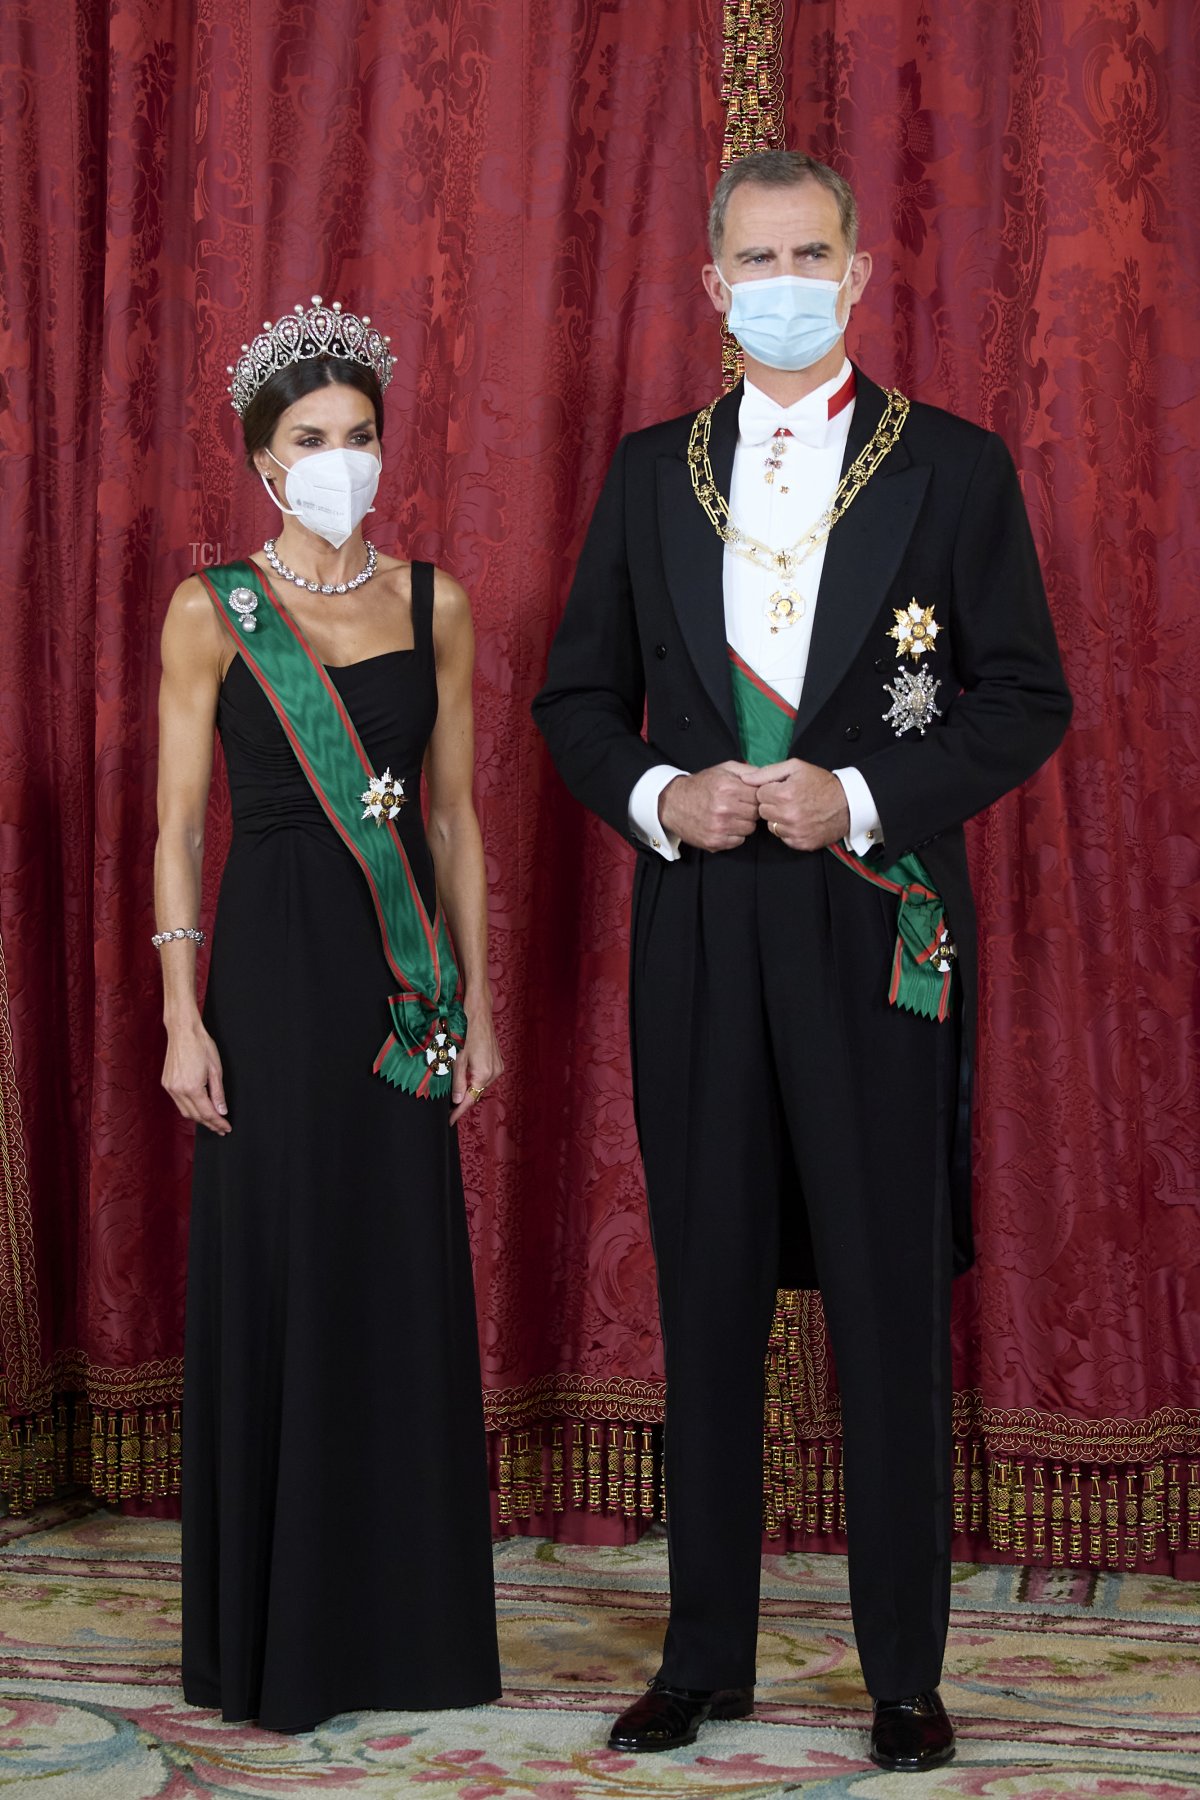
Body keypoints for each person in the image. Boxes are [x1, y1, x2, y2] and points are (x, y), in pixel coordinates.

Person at [533, 152, 1071, 1773]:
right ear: (712, 285)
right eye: (752, 256)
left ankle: (904, 1672)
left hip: (874, 920)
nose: (781, 278)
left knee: (886, 1302)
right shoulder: (644, 475)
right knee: (704, 1297)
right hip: (699, 925)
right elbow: (571, 703)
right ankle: (707, 1660)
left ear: (854, 273)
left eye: (809, 252)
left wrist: (860, 788)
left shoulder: (957, 471)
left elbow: (1025, 698)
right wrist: (654, 792)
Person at [154, 297, 502, 1733]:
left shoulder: (439, 604)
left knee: (393, 1277)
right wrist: (181, 1012)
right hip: (272, 975)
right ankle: (275, 1640)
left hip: (399, 977)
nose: (340, 459)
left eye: (361, 436)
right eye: (311, 440)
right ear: (261, 457)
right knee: (286, 1268)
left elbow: (459, 820)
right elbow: (176, 828)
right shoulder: (209, 611)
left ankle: (402, 1631)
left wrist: (479, 1005)